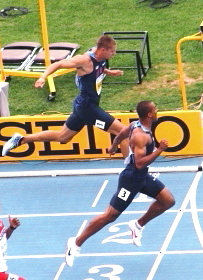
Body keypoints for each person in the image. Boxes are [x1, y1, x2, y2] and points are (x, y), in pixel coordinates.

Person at [65, 100, 175, 267]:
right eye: (155, 109)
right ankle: (76, 243)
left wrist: (114, 146)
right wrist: (159, 150)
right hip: (131, 179)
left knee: (168, 201)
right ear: (149, 115)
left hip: (141, 177)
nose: (157, 110)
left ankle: (137, 225)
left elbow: (121, 133)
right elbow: (139, 163)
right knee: (110, 215)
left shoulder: (135, 125)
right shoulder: (140, 136)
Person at [2, 35, 128, 158]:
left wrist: (108, 72)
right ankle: (132, 170)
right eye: (112, 51)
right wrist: (42, 77)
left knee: (63, 137)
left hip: (83, 106)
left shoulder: (100, 58)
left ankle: (21, 139)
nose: (114, 53)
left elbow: (98, 67)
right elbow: (58, 64)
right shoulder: (84, 60)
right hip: (88, 108)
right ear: (102, 50)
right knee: (124, 132)